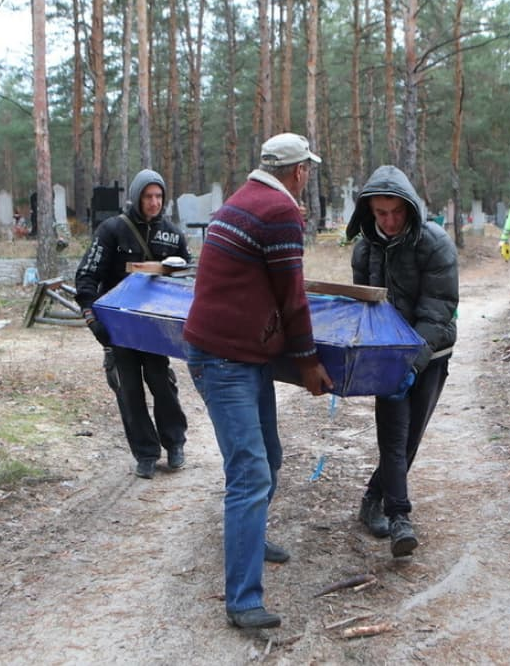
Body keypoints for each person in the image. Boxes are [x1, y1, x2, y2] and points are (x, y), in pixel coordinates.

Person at [183, 133, 333, 630]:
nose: (307, 177)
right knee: (250, 473)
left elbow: (270, 286)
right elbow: (293, 296)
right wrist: (309, 362)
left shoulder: (244, 199)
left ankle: (251, 535)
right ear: (298, 172)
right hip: (225, 360)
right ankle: (243, 601)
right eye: (307, 170)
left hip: (239, 354)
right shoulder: (279, 211)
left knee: (267, 457)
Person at [345, 165, 458, 558]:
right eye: (380, 214)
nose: (389, 222)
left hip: (433, 352)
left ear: (409, 207)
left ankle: (373, 497)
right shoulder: (364, 248)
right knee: (393, 437)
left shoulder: (435, 244)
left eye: (396, 212)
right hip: (388, 357)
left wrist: (414, 362)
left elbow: (438, 311)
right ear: (369, 212)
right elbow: (365, 308)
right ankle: (399, 519)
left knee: (411, 438)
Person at [75, 169, 190, 479]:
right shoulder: (112, 230)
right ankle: (145, 453)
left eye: (158, 196)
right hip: (118, 326)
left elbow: (186, 281)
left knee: (161, 385)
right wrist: (92, 318)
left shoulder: (173, 234)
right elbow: (86, 277)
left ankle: (175, 443)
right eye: (148, 196)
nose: (153, 202)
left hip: (154, 328)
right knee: (128, 391)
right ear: (138, 196)